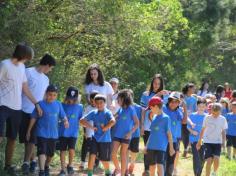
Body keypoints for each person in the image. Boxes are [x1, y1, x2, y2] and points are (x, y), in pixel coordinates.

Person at [0, 43, 42, 175]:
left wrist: (36, 103)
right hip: (2, 105)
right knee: (0, 136)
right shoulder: (5, 65)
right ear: (22, 55)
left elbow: (25, 88)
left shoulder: (22, 67)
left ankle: (8, 166)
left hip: (16, 108)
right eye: (28, 57)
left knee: (12, 138)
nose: (28, 60)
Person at [19, 54, 56, 174]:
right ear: (47, 65)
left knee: (32, 139)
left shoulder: (46, 79)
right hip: (24, 109)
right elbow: (22, 89)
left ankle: (26, 163)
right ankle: (33, 160)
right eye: (51, 68)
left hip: (38, 113)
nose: (51, 70)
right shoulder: (28, 72)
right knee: (26, 138)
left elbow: (45, 97)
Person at [26, 85, 69, 176]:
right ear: (46, 94)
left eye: (54, 95)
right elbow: (33, 118)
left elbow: (63, 115)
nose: (51, 97)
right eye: (50, 94)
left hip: (53, 135)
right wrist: (29, 130)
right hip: (42, 133)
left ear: (56, 95)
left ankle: (46, 166)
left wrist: (65, 121)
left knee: (50, 154)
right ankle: (41, 171)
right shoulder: (40, 104)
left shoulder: (58, 104)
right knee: (42, 151)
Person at [80, 94, 116, 176]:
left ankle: (108, 172)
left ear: (105, 103)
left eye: (101, 103)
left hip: (105, 140)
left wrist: (105, 128)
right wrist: (91, 127)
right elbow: (81, 121)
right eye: (97, 103)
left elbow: (113, 121)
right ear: (94, 103)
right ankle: (89, 174)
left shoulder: (107, 112)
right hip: (95, 138)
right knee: (92, 155)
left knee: (103, 159)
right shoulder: (93, 113)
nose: (99, 105)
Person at [140, 74, 168, 176]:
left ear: (161, 84)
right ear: (152, 83)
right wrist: (142, 125)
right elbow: (144, 109)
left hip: (161, 128)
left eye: (159, 84)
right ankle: (147, 170)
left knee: (160, 149)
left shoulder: (165, 96)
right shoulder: (146, 94)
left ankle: (159, 170)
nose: (156, 85)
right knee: (148, 149)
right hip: (148, 126)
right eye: (155, 83)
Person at [112, 89, 139, 176]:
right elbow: (113, 119)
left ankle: (123, 174)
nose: (117, 100)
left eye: (118, 99)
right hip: (117, 135)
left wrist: (130, 133)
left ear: (124, 99)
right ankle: (118, 169)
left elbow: (137, 123)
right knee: (113, 153)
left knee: (123, 154)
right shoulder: (120, 109)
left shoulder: (131, 109)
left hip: (126, 136)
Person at [145, 97, 175, 176]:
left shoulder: (166, 118)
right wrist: (146, 146)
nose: (150, 109)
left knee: (160, 164)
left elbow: (169, 134)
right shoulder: (154, 117)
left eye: (151, 108)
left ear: (156, 106)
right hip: (151, 146)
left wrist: (171, 148)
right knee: (152, 166)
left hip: (161, 147)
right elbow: (152, 133)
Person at [197, 103, 228, 176]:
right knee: (209, 160)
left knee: (216, 159)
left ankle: (214, 172)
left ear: (220, 112)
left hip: (217, 142)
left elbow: (223, 131)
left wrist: (224, 142)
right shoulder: (207, 118)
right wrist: (199, 141)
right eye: (214, 113)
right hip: (207, 141)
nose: (215, 115)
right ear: (211, 111)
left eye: (217, 114)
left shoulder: (223, 119)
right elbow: (203, 129)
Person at [58, 87, 83, 176]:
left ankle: (70, 165)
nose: (71, 100)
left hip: (73, 132)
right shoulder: (62, 105)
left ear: (76, 98)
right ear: (67, 97)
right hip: (63, 132)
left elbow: (81, 118)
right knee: (63, 150)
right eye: (69, 98)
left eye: (73, 98)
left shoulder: (80, 107)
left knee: (72, 149)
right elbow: (59, 117)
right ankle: (63, 169)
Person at [163, 92, 183, 176]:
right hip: (163, 139)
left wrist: (184, 107)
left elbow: (184, 121)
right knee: (162, 160)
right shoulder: (163, 108)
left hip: (174, 140)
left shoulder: (178, 112)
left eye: (176, 102)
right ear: (168, 101)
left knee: (171, 160)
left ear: (178, 103)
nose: (173, 103)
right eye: (171, 101)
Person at [188, 99, 207, 176]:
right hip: (194, 139)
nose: (201, 108)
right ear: (197, 106)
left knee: (202, 158)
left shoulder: (207, 116)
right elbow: (187, 126)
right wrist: (192, 131)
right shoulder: (192, 115)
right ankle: (197, 174)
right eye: (199, 106)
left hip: (204, 140)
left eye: (203, 106)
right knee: (196, 157)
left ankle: (199, 172)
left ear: (205, 107)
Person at [80, 91, 98, 169]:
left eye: (95, 101)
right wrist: (85, 132)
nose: (93, 102)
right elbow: (83, 120)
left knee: (96, 149)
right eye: (91, 100)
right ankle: (82, 163)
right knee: (85, 147)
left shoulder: (101, 108)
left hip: (98, 133)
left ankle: (95, 163)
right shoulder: (87, 108)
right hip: (88, 132)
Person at [127, 90, 144, 175]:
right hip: (125, 133)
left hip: (135, 133)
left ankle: (132, 164)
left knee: (134, 150)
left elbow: (141, 119)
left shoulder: (138, 107)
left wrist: (142, 128)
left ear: (132, 96)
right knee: (125, 150)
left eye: (130, 95)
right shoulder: (124, 107)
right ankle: (125, 167)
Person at [182, 83, 197, 157]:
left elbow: (195, 109)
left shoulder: (194, 99)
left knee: (188, 133)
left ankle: (186, 149)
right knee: (184, 134)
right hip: (182, 117)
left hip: (190, 118)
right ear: (189, 88)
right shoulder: (182, 97)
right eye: (193, 88)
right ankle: (186, 148)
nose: (194, 90)